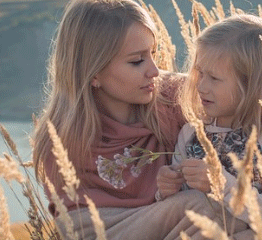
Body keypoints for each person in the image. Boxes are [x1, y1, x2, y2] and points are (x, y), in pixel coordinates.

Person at [32, 0, 234, 239]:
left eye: (154, 53)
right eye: (137, 61)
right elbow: (76, 226)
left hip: (180, 225)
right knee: (197, 207)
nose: (155, 71)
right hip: (104, 229)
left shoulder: (176, 97)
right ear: (93, 71)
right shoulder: (60, 139)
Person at [157, 14, 262, 239]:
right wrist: (165, 190)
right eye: (199, 73)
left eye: (214, 77)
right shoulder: (192, 134)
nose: (201, 86)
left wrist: (220, 183)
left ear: (252, 85)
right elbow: (180, 211)